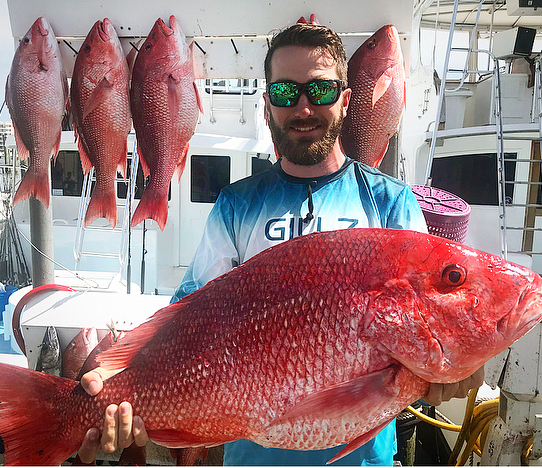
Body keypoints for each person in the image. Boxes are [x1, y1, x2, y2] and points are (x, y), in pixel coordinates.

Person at [76, 22, 484, 465]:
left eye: (321, 91)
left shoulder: (391, 202)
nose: (304, 108)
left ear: (346, 101)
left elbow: (428, 319)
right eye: (287, 93)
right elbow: (188, 315)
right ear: (268, 105)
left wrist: (458, 365)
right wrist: (117, 378)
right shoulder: (237, 204)